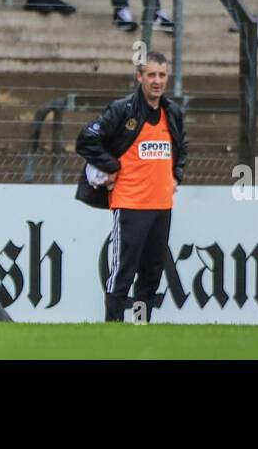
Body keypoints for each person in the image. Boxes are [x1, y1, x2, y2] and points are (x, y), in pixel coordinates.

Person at [75, 51, 185, 323]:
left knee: (151, 275)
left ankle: (140, 326)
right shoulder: (123, 110)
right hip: (130, 204)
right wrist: (111, 166)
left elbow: (180, 150)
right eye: (151, 75)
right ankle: (113, 327)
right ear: (139, 77)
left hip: (161, 205)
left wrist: (176, 176)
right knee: (122, 273)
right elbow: (86, 139)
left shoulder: (172, 113)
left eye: (161, 75)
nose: (157, 81)